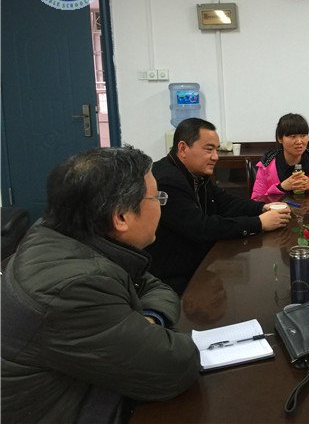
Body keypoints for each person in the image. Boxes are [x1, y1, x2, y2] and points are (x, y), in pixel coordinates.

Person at [1, 147, 200, 424]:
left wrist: (150, 318)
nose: (160, 206)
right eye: (156, 198)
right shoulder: (73, 287)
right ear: (121, 217)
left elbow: (156, 286)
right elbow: (176, 367)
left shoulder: (64, 237)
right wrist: (145, 329)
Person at [146, 118, 291, 294]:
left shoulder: (195, 173)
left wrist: (262, 207)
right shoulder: (166, 180)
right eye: (209, 149)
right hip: (172, 278)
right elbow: (201, 228)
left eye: (216, 149)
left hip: (197, 265)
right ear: (183, 148)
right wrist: (259, 223)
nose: (215, 156)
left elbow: (224, 202)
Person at [251, 113, 309, 200]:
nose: (299, 141)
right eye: (293, 136)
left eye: (303, 136)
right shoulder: (267, 164)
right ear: (280, 138)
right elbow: (257, 200)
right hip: (278, 209)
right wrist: (281, 187)